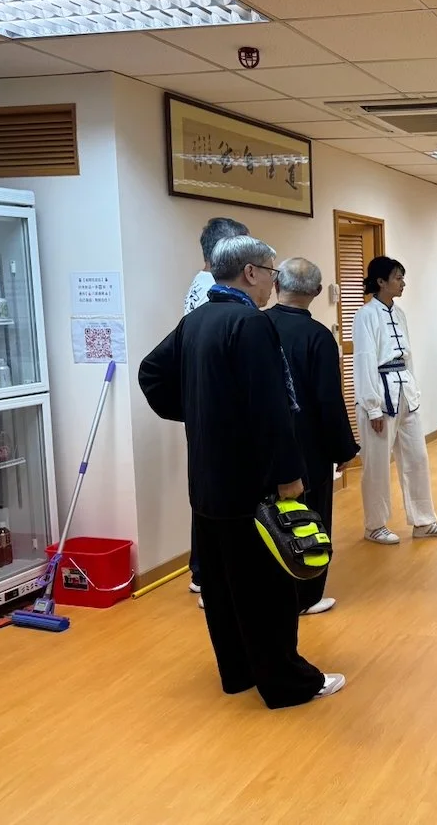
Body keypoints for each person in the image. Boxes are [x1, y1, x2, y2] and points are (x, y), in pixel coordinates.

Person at [139, 235, 344, 708]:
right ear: (250, 272)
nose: (273, 282)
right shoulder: (250, 323)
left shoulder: (196, 320)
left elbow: (151, 373)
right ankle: (288, 683)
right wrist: (288, 474)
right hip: (251, 482)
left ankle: (238, 672)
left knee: (224, 585)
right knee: (268, 588)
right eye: (271, 272)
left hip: (207, 479)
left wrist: (200, 412)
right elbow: (270, 408)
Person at [265, 258, 360, 614]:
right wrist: (343, 449)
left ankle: (268, 593)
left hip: (263, 447)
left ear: (277, 285)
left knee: (267, 520)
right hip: (309, 448)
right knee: (310, 518)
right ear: (318, 292)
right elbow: (328, 399)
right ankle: (306, 596)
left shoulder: (256, 325)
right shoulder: (318, 336)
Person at [354, 256, 437, 544]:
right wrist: (372, 407)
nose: (403, 283)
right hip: (379, 394)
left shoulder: (399, 313)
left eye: (402, 277)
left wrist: (415, 390)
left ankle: (423, 521)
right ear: (381, 281)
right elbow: (364, 360)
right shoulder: (365, 315)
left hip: (405, 391)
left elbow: (407, 356)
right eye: (398, 278)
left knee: (417, 458)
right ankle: (375, 525)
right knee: (376, 464)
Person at [182, 216, 249, 606]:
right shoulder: (215, 292)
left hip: (203, 404)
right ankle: (210, 576)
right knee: (217, 494)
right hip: (217, 407)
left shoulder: (200, 283)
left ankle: (203, 571)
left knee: (206, 490)